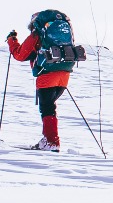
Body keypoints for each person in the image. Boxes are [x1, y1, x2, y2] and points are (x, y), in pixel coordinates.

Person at [5, 14, 70, 151]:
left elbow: (20, 54)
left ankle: (51, 141)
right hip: (64, 75)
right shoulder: (63, 33)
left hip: (47, 75)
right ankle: (50, 140)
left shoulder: (37, 34)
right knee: (50, 107)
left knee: (47, 108)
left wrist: (11, 40)